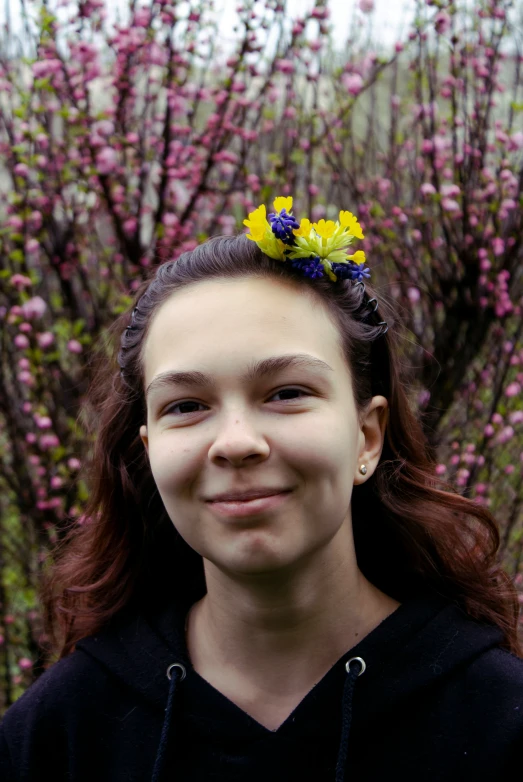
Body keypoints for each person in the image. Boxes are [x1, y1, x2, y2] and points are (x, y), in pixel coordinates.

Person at [1, 196, 522, 781]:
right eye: (187, 406)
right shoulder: (59, 736)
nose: (236, 442)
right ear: (150, 454)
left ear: (367, 437)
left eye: (286, 392)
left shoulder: (498, 721)